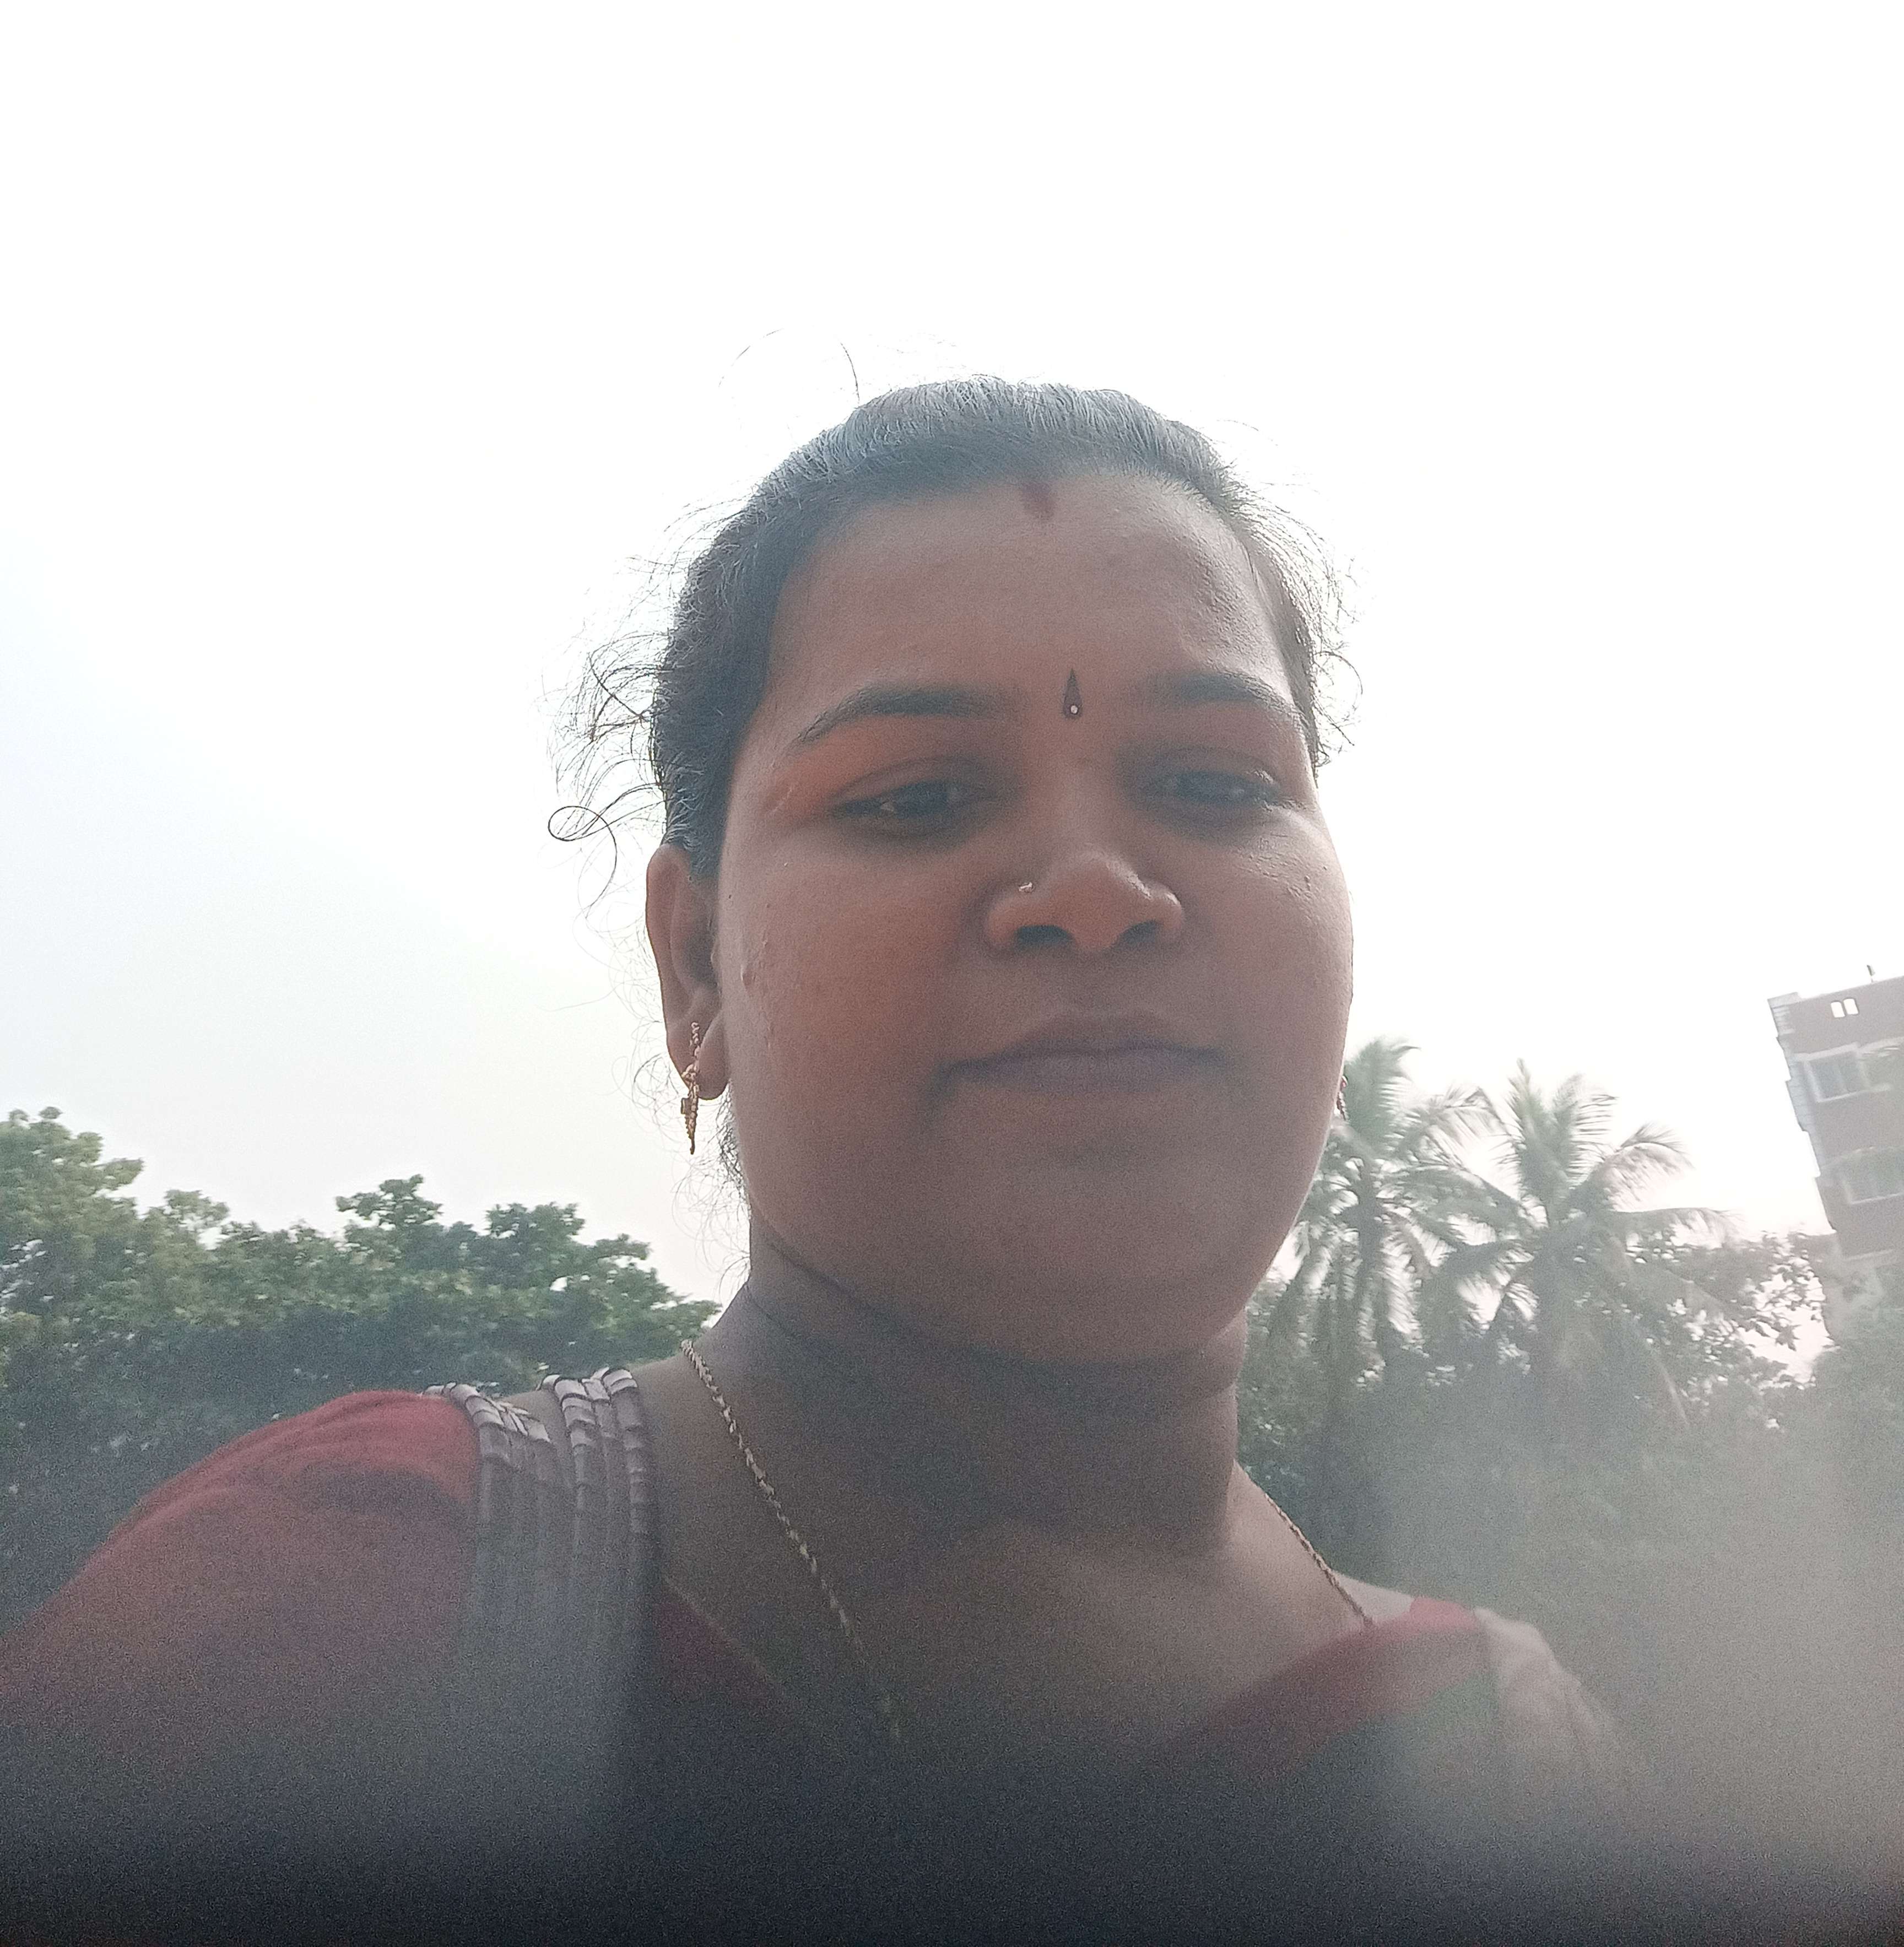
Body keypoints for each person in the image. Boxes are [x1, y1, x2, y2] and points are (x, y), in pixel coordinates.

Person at [0, 380, 1620, 1943]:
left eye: (1214, 782)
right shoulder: (333, 1615)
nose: (1095, 888)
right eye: (919, 796)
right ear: (693, 969)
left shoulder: (1517, 1765)